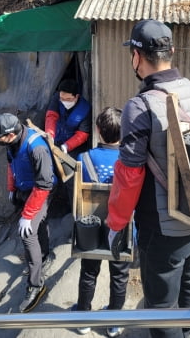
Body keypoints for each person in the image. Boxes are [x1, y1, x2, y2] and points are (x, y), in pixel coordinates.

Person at [106, 19, 190, 338]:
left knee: (160, 305)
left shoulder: (140, 107)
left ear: (137, 56)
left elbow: (129, 175)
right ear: (172, 52)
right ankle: (188, 329)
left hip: (163, 226)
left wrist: (116, 225)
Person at [0, 113, 55, 313]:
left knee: (28, 233)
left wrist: (28, 214)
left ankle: (36, 285)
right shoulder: (12, 143)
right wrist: (11, 188)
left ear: (9, 135)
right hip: (25, 188)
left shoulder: (37, 147)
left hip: (40, 191)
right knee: (39, 225)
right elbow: (11, 165)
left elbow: (44, 184)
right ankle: (43, 255)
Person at [72, 107, 130, 338]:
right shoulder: (129, 160)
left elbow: (75, 197)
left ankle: (83, 318)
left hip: (91, 229)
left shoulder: (83, 159)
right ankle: (114, 321)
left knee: (88, 272)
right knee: (119, 274)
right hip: (121, 228)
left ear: (97, 131)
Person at [45, 78, 91, 158]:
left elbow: (82, 134)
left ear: (76, 96)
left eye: (68, 99)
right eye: (62, 99)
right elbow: (51, 116)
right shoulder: (57, 98)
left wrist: (67, 146)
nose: (64, 101)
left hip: (73, 145)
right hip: (56, 138)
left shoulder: (85, 109)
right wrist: (50, 135)